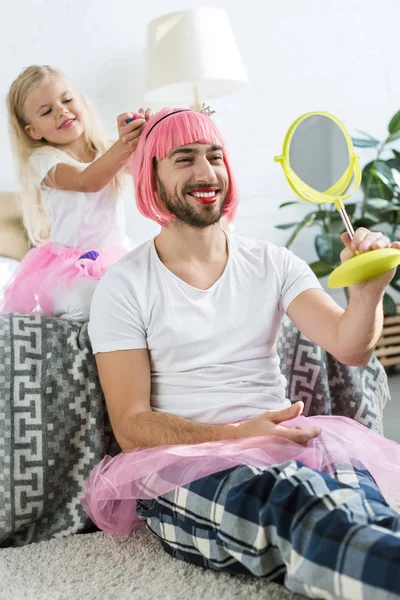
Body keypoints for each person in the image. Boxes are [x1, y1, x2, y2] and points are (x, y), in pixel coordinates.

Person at [83, 107, 400, 599]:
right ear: (151, 175)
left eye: (215, 157)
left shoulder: (273, 262)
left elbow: (350, 347)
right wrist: (237, 435)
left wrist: (367, 294)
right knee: (299, 509)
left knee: (363, 505)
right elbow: (131, 426)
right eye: (184, 159)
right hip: (186, 465)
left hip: (286, 440)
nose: (207, 173)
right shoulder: (124, 285)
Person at [1, 64, 151, 321]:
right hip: (69, 268)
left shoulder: (107, 148)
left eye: (67, 99)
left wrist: (147, 134)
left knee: (146, 289)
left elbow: (146, 170)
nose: (61, 110)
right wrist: (124, 144)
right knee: (87, 302)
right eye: (47, 111)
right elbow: (87, 180)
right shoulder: (43, 160)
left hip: (114, 255)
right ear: (34, 131)